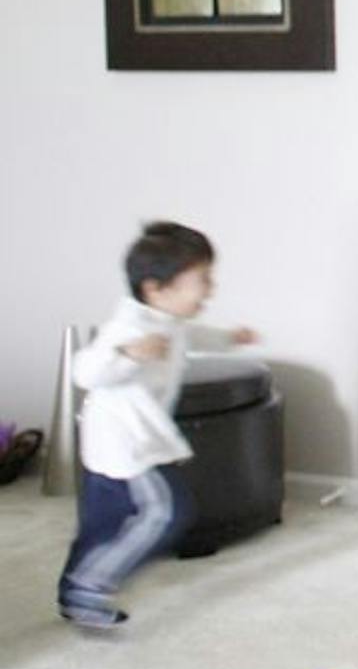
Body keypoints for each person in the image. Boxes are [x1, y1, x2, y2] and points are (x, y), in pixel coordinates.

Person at [57, 221, 259, 628]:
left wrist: (229, 338)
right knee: (164, 511)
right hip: (125, 443)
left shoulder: (169, 322)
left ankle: (76, 592)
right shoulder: (130, 328)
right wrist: (128, 353)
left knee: (104, 520)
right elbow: (85, 371)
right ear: (156, 289)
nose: (210, 289)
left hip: (131, 441)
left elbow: (194, 336)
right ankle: (89, 585)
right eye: (202, 280)